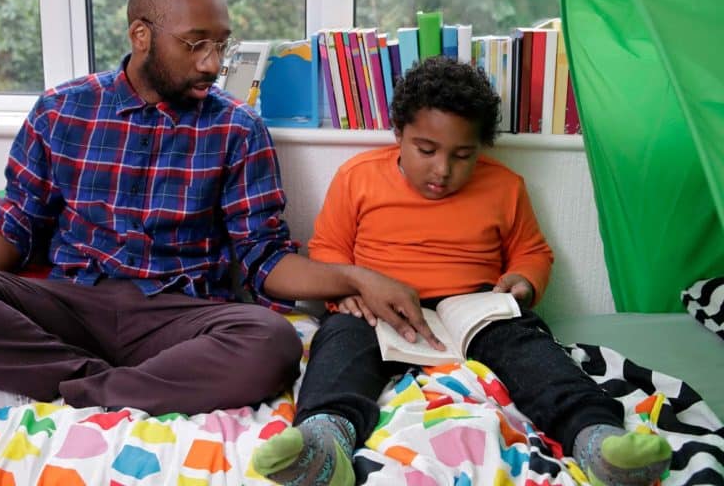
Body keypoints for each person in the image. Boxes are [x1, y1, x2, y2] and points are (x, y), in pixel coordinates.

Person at [0, 0, 437, 416]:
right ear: (141, 35)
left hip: (179, 318)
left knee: (272, 343)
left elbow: (265, 261)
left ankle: (65, 389)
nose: (212, 64)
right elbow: (13, 231)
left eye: (220, 45)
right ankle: (103, 386)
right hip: (73, 305)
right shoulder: (60, 110)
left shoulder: (237, 129)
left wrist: (355, 276)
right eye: (195, 44)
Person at [253, 57, 672, 486]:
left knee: (532, 350)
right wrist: (346, 294)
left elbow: (533, 252)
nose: (443, 170)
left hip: (474, 311)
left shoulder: (505, 186)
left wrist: (523, 283)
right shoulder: (358, 177)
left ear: (481, 147)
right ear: (399, 133)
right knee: (340, 345)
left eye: (463, 155)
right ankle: (325, 444)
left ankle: (597, 440)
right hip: (379, 309)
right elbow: (329, 248)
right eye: (426, 150)